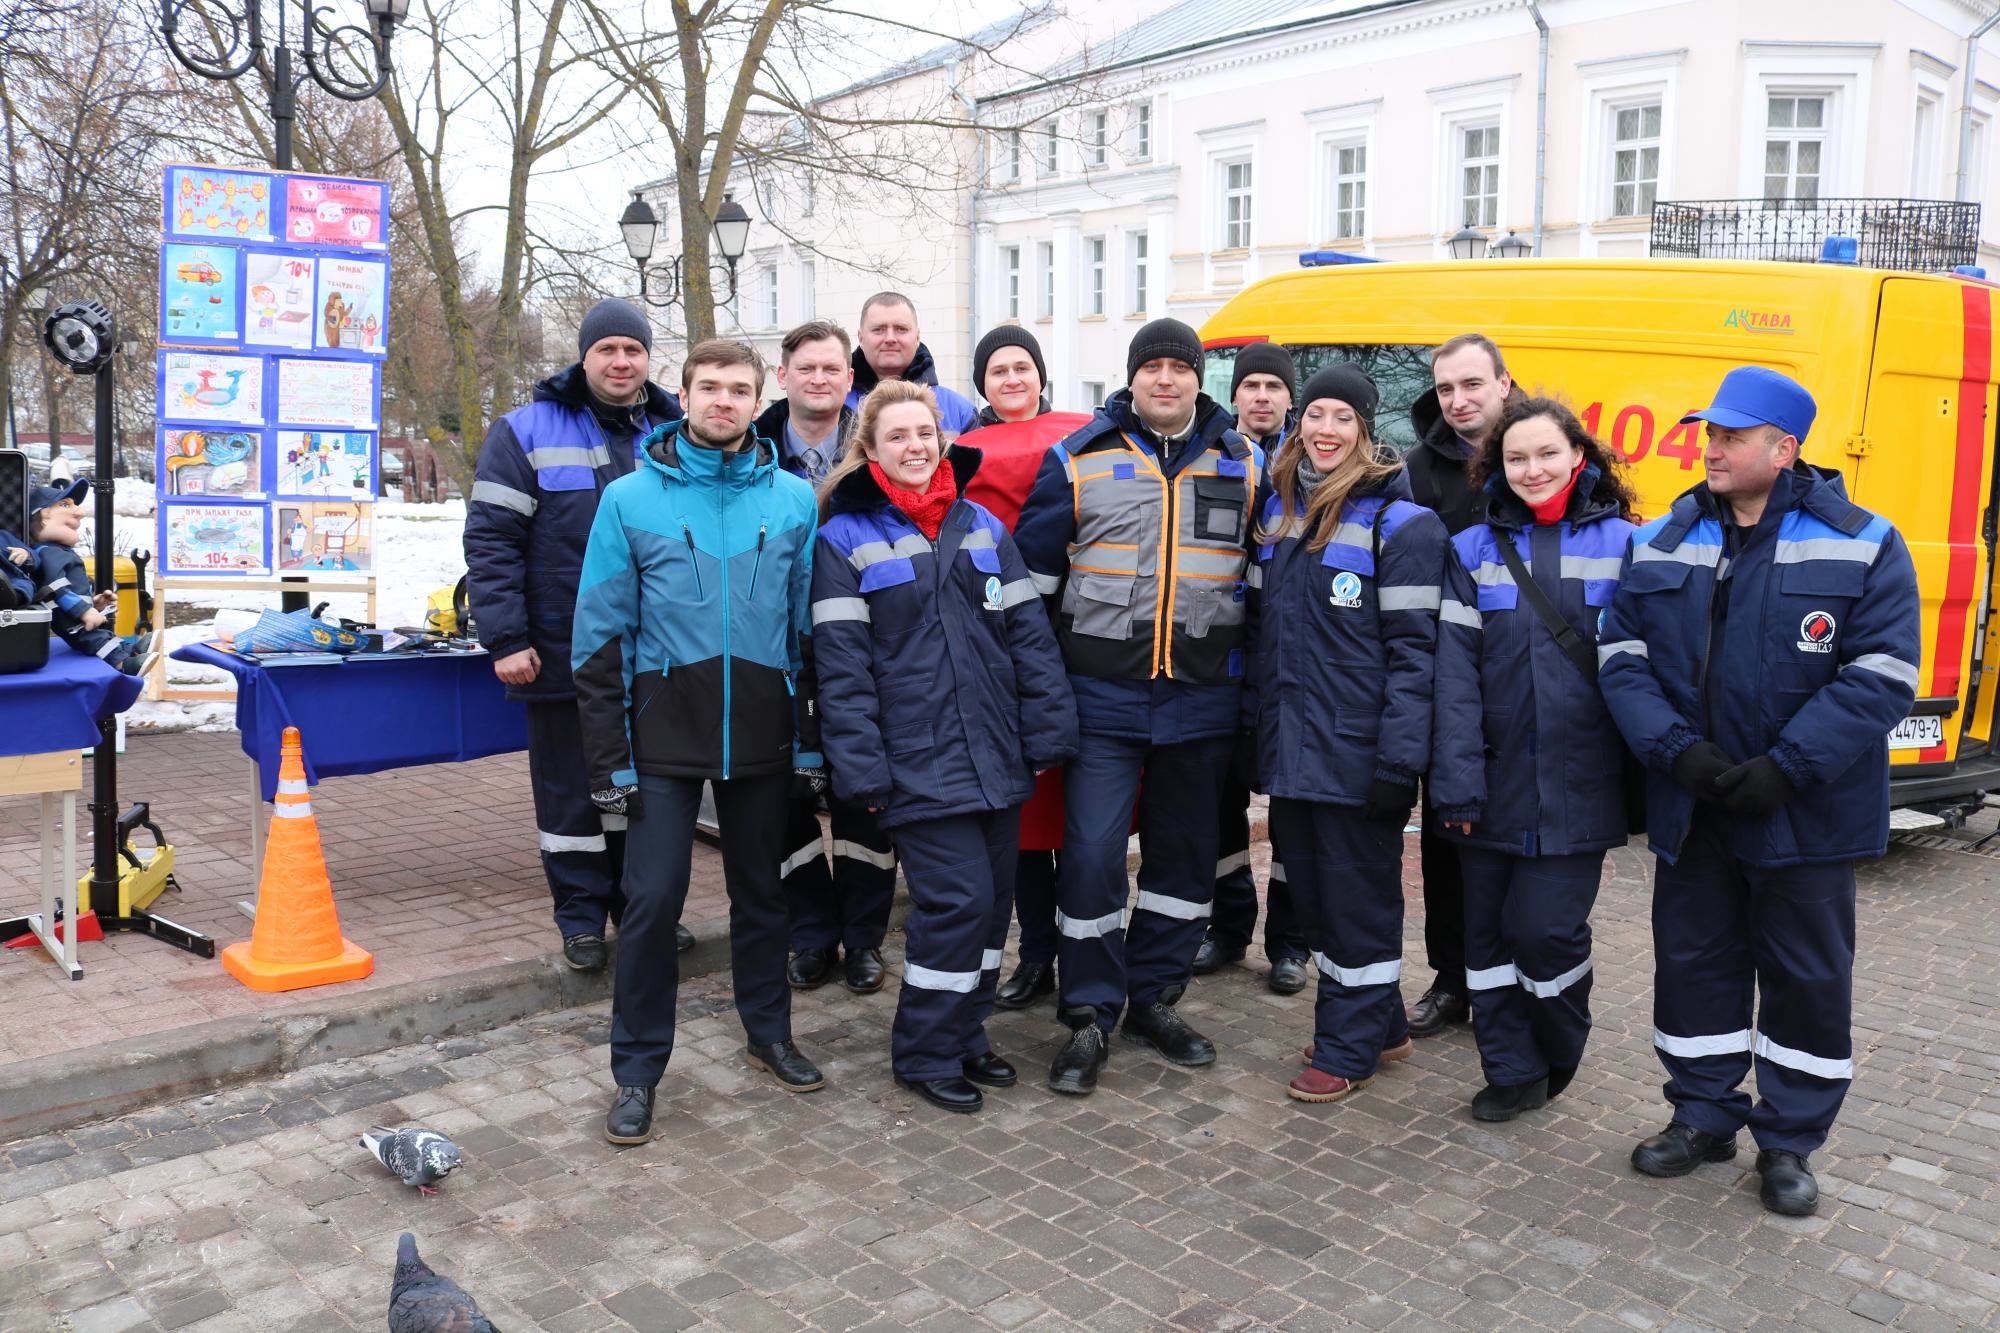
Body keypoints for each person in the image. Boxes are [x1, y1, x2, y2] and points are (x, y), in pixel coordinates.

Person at [1599, 366, 1919, 1215]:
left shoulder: (1866, 540)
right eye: (1710, 432)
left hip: (1804, 813)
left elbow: (1883, 674)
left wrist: (1788, 765)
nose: (1711, 448)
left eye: (1732, 436)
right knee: (1695, 966)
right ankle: (1702, 1115)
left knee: (1806, 979)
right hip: (1695, 805)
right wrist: (1680, 756)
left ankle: (1789, 1140)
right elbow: (1621, 657)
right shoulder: (1663, 536)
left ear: (1784, 449)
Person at [571, 338, 828, 1147]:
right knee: (649, 906)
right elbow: (596, 638)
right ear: (680, 396)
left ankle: (770, 1033)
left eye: (739, 389)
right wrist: (609, 758)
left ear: (761, 401)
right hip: (662, 740)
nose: (724, 400)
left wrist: (810, 743)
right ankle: (637, 1072)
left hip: (762, 734)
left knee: (765, 895)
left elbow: (806, 633)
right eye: (709, 386)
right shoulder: (629, 501)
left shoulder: (793, 500)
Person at [811, 381, 1079, 1112]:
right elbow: (842, 668)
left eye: (923, 433)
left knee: (991, 910)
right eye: (896, 436)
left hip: (994, 753)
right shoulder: (843, 539)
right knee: (956, 903)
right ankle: (925, 1051)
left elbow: (1027, 635)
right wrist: (859, 766)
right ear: (869, 449)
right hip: (914, 760)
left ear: (942, 438)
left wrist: (1048, 728)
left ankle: (966, 1032)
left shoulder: (984, 526)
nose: (913, 446)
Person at [1015, 318, 1263, 1095]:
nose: (1165, 379)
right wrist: (1044, 692)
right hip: (1103, 699)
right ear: (1133, 379)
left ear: (1198, 379)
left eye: (1179, 367)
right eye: (1151, 367)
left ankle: (1154, 996)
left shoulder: (1246, 463)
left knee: (1182, 863)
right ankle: (1088, 1014)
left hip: (1202, 699)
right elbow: (1032, 592)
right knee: (1090, 858)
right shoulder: (1077, 460)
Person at [464, 299, 692, 971]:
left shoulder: (675, 431)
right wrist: (504, 638)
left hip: (659, 655)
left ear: (648, 359)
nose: (621, 361)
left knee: (646, 792)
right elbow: (492, 542)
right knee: (570, 792)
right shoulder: (524, 431)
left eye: (633, 349)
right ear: (584, 356)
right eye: (607, 349)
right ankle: (581, 917)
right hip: (562, 650)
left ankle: (642, 911)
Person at [1430, 398, 1640, 1121]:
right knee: (1484, 940)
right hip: (1486, 780)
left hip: (1581, 782)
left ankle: (1558, 1044)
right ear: (1497, 466)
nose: (1532, 469)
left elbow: (1650, 669)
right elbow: (1451, 677)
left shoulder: (1625, 545)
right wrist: (1454, 779)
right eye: (1516, 458)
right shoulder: (1468, 550)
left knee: (1544, 931)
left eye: (1546, 453)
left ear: (1578, 455)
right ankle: (1510, 1069)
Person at [1248, 365, 1445, 1103]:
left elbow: (1415, 653)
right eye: (1316, 415)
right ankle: (1383, 1023)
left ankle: (1347, 1046)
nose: (1326, 430)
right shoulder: (1281, 513)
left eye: (1343, 417)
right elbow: (1269, 639)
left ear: (1367, 430)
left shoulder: (1404, 526)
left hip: (1361, 754)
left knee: (1355, 903)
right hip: (1295, 750)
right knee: (1318, 901)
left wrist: (1400, 757)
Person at [957, 325, 1093, 1012]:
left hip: (1079, 641)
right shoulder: (960, 456)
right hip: (996, 646)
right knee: (1025, 822)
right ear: (981, 384)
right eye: (998, 370)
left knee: (1083, 818)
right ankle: (1037, 951)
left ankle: (1083, 952)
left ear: (1042, 375)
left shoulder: (1083, 441)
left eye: (1023, 367)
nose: (1012, 379)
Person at [758, 320, 896, 994]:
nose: (819, 379)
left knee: (864, 797)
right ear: (782, 377)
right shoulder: (750, 451)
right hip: (773, 651)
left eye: (832, 369)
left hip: (864, 648)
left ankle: (864, 938)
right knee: (781, 802)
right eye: (805, 368)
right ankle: (811, 932)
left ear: (851, 378)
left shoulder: (879, 450)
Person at [1403, 333, 1525, 1039]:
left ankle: (1514, 984)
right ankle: (1454, 981)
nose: (1459, 400)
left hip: (1532, 683)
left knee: (1526, 851)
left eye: (1472, 384)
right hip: (1451, 684)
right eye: (1447, 388)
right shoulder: (1418, 473)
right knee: (1448, 843)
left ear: (1504, 383)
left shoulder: (1543, 450)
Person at [1196, 342, 1309, 995]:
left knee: (1292, 809)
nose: (1261, 396)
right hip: (1219, 656)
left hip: (1289, 663)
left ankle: (1291, 942)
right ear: (1235, 393)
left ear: (1289, 397)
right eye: (1251, 385)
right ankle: (1229, 925)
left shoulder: (1313, 463)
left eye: (1273, 385)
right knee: (1220, 807)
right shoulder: (1215, 455)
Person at [27, 479, 150, 674]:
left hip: (74, 611)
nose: (80, 512)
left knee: (100, 633)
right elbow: (56, 587)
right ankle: (124, 663)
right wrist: (83, 611)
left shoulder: (58, 551)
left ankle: (132, 651)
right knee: (93, 638)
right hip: (68, 616)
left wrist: (94, 604)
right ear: (39, 514)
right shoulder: (48, 552)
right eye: (65, 505)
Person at [846, 292, 978, 434]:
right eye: (878, 330)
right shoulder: (837, 407)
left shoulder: (960, 412)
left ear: (917, 337)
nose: (890, 338)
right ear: (860, 338)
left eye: (901, 329)